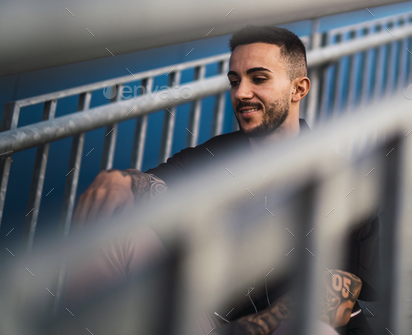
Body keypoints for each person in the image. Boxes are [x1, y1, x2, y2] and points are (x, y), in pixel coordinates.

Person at [72, 25, 379, 334]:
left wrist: (251, 328)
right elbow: (152, 187)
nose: (241, 93)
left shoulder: (343, 177)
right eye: (235, 81)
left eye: (258, 78)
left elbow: (337, 296)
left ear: (298, 89)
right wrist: (120, 180)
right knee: (114, 215)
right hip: (215, 326)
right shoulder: (214, 157)